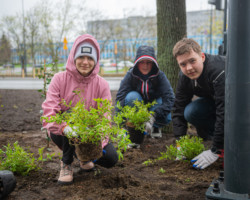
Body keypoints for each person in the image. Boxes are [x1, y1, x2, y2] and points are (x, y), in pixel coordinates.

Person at [42, 34, 118, 185]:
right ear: (73, 57)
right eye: (81, 57)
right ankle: (66, 163)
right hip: (62, 132)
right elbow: (49, 113)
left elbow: (105, 117)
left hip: (90, 135)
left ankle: (83, 158)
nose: (85, 62)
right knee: (72, 115)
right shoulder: (59, 79)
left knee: (110, 158)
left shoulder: (102, 84)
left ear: (96, 62)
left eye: (90, 58)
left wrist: (97, 144)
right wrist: (65, 128)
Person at [172, 38, 225, 169]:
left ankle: (227, 143)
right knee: (191, 112)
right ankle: (214, 138)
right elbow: (178, 107)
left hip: (241, 104)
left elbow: (225, 110)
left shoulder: (218, 71)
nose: (189, 68)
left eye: (192, 61)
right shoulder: (185, 77)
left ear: (202, 57)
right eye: (183, 64)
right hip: (216, 102)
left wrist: (217, 149)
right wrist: (181, 143)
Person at [115, 45, 175, 138]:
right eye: (142, 62)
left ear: (153, 63)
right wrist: (121, 126)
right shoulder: (131, 75)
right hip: (137, 106)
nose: (145, 65)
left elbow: (170, 97)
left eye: (148, 62)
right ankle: (135, 128)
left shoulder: (160, 76)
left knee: (167, 117)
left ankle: (155, 127)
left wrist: (153, 115)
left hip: (154, 108)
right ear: (137, 63)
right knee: (131, 97)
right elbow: (120, 97)